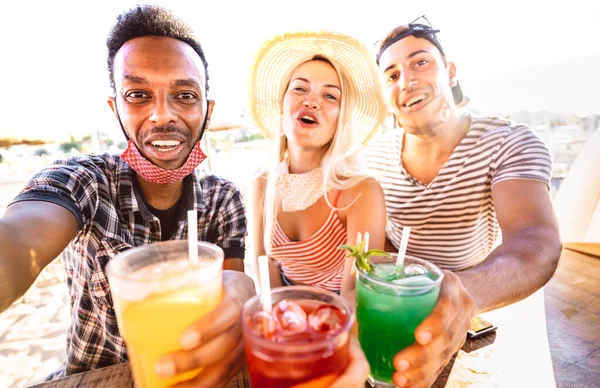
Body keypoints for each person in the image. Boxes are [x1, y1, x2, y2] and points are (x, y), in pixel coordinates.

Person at [0, 5, 255, 387]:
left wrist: (241, 292)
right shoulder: (85, 181)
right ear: (114, 107)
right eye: (138, 94)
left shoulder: (223, 199)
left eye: (184, 95)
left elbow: (231, 298)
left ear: (207, 109)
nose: (162, 115)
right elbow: (20, 240)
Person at [365, 16, 563, 387]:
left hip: (478, 307)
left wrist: (461, 293)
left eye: (420, 62)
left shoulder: (509, 141)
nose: (406, 80)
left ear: (450, 71)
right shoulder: (371, 159)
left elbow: (534, 238)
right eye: (391, 75)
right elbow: (378, 241)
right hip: (395, 306)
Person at [247, 31, 388, 387]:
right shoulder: (262, 182)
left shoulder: (361, 191)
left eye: (330, 95)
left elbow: (358, 292)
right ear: (282, 103)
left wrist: (324, 351)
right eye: (300, 88)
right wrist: (282, 340)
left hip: (343, 339)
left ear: (343, 117)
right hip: (287, 334)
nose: (312, 101)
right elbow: (265, 273)